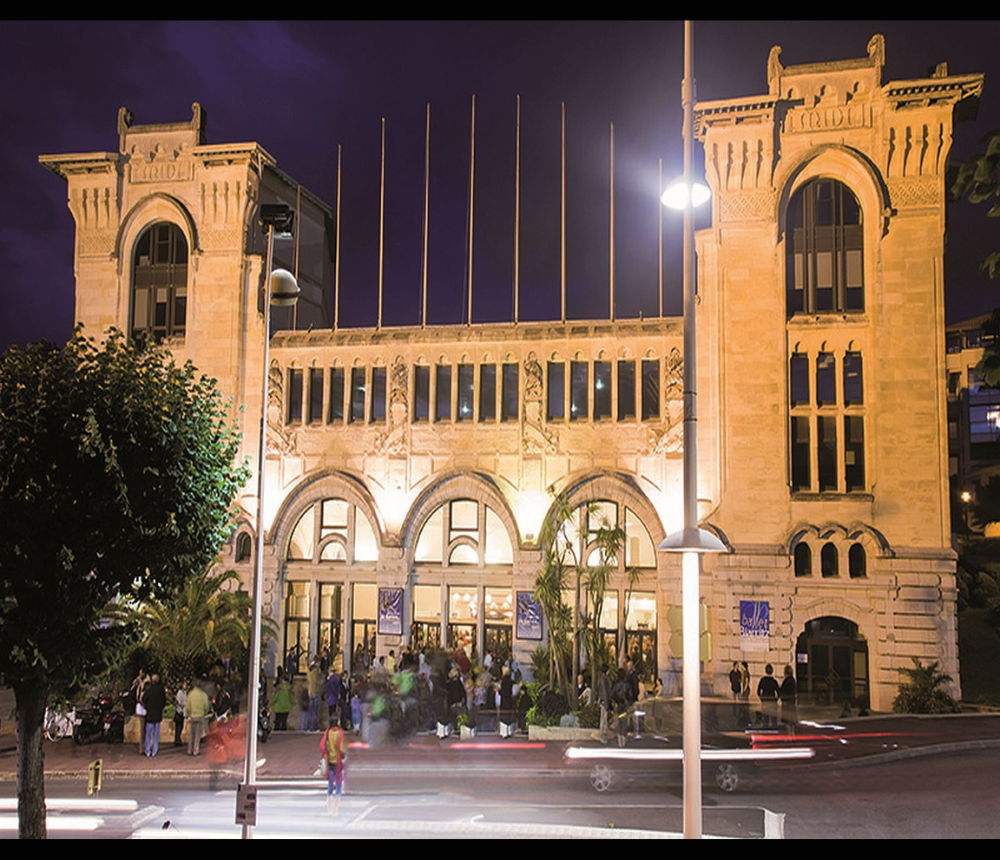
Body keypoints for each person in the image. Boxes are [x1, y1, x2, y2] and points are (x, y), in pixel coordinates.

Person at [321, 719, 348, 815]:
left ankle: (329, 810)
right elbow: (342, 749)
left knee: (330, 785)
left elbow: (322, 746)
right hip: (338, 761)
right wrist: (344, 755)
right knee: (339, 784)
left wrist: (324, 755)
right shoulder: (340, 733)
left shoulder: (327, 732)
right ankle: (336, 809)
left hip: (330, 761)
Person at [142, 673, 166, 757]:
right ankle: (155, 750)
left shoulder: (149, 690)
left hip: (150, 714)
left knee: (148, 733)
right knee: (156, 734)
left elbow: (144, 699)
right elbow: (164, 701)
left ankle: (147, 750)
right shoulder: (161, 690)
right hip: (158, 713)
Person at [185, 679, 211, 756]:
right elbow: (206, 706)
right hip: (200, 716)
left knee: (191, 734)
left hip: (192, 716)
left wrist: (189, 713)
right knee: (198, 735)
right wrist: (204, 713)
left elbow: (187, 707)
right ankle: (196, 750)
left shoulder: (190, 694)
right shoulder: (203, 695)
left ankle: (189, 750)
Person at [757, 663, 780, 728]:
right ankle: (774, 729)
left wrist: (762, 698)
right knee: (773, 718)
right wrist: (776, 700)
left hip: (765, 701)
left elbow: (758, 691)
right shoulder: (774, 681)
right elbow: (778, 693)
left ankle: (766, 729)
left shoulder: (763, 680)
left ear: (765, 671)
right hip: (772, 701)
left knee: (765, 718)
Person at [779, 664, 798, 730]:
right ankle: (792, 735)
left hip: (786, 702)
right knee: (792, 721)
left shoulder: (786, 681)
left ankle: (789, 736)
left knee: (787, 720)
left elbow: (782, 690)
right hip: (792, 702)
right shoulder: (793, 680)